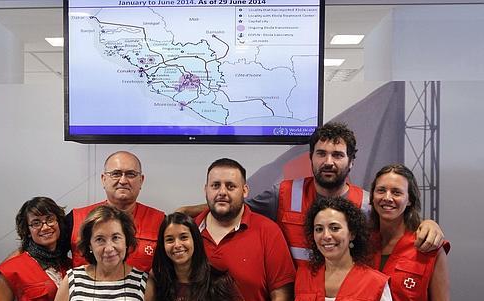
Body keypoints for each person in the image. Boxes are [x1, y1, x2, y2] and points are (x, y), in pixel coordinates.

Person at [178, 122, 445, 266]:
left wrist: (427, 224)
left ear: (351, 161)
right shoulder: (281, 193)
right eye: (321, 153)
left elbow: (398, 229)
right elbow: (236, 206)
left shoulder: (367, 203)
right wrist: (189, 211)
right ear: (311, 158)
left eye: (338, 155)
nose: (329, 161)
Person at [0, 151, 164, 301]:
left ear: (141, 180)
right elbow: (36, 251)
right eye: (116, 174)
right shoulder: (77, 219)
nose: (123, 180)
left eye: (130, 174)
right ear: (103, 179)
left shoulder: (160, 221)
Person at [192, 158, 296, 301]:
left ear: (245, 190)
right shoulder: (188, 233)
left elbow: (281, 293)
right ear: (206, 190)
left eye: (231, 186)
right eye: (215, 185)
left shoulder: (268, 231)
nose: (222, 192)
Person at [370, 164, 451, 301]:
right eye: (381, 190)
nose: (387, 197)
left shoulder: (429, 247)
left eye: (396, 192)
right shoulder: (360, 244)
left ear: (409, 200)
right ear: (372, 196)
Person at [143, 212, 258, 301]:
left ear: (195, 240)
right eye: (169, 240)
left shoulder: (218, 282)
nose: (177, 245)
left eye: (183, 237)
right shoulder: (157, 280)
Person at [294, 197, 394, 301]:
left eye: (334, 228)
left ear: (351, 233)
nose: (326, 236)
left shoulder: (376, 283)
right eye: (319, 229)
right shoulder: (303, 277)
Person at [48, 205, 148, 301]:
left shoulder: (143, 283)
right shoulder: (72, 281)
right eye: (100, 239)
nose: (109, 248)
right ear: (90, 245)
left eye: (116, 237)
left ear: (126, 240)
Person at [0, 197, 71, 301]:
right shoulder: (10, 271)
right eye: (36, 223)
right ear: (27, 230)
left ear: (59, 222)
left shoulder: (71, 266)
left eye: (50, 219)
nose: (45, 227)